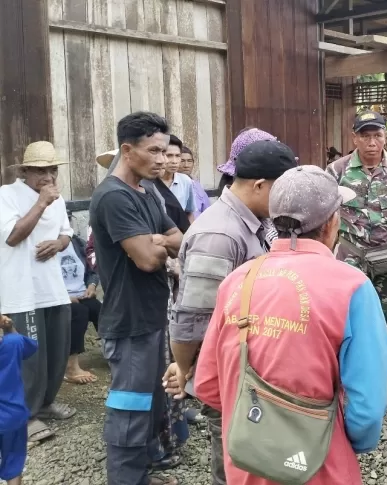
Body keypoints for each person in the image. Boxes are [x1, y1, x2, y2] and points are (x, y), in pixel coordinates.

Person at [189, 165, 387, 485]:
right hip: (319, 465)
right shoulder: (352, 287)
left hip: (246, 461)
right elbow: (366, 409)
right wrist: (353, 441)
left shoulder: (237, 281)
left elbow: (207, 385)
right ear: (331, 223)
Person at [167, 140, 297, 485]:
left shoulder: (251, 220)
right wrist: (183, 367)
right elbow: (192, 318)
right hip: (227, 373)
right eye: (281, 191)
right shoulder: (220, 234)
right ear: (259, 185)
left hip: (246, 367)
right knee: (234, 461)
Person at [90, 111, 183, 485]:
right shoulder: (113, 197)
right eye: (154, 151)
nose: (161, 160)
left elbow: (179, 237)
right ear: (128, 150)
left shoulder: (145, 192)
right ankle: (126, 479)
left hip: (152, 315)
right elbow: (146, 260)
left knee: (152, 399)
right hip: (128, 320)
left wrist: (157, 240)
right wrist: (158, 245)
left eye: (165, 151)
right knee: (130, 406)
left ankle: (144, 469)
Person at [327, 111, 387, 409]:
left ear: (384, 138)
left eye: (377, 135)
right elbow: (329, 213)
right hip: (350, 258)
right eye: (364, 135)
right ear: (354, 138)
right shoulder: (337, 171)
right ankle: (348, 382)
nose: (371, 142)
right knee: (345, 320)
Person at [0, 141, 76, 443]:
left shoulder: (56, 199)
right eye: (42, 170)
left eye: (53, 170)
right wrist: (41, 202)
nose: (49, 177)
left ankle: (45, 403)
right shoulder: (7, 195)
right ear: (26, 172)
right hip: (21, 290)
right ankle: (26, 415)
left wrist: (58, 244)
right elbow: (13, 236)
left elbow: (67, 234)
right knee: (28, 355)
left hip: (52, 287)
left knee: (57, 349)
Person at [58, 211, 101, 385]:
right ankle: (71, 367)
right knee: (79, 313)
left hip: (81, 293)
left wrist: (91, 286)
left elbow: (92, 269)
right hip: (60, 298)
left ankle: (115, 353)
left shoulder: (77, 243)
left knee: (100, 310)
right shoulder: (46, 245)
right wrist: (63, 296)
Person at [0, 314, 38, 485]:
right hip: (12, 416)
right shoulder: (12, 343)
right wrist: (10, 328)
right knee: (14, 461)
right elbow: (31, 348)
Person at [160, 135, 196, 222]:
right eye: (169, 155)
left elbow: (189, 212)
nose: (174, 161)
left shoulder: (186, 181)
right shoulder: (149, 182)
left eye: (177, 156)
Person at [178, 146, 211, 219]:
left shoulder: (197, 185)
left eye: (189, 161)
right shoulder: (173, 185)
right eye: (182, 161)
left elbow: (207, 210)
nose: (186, 165)